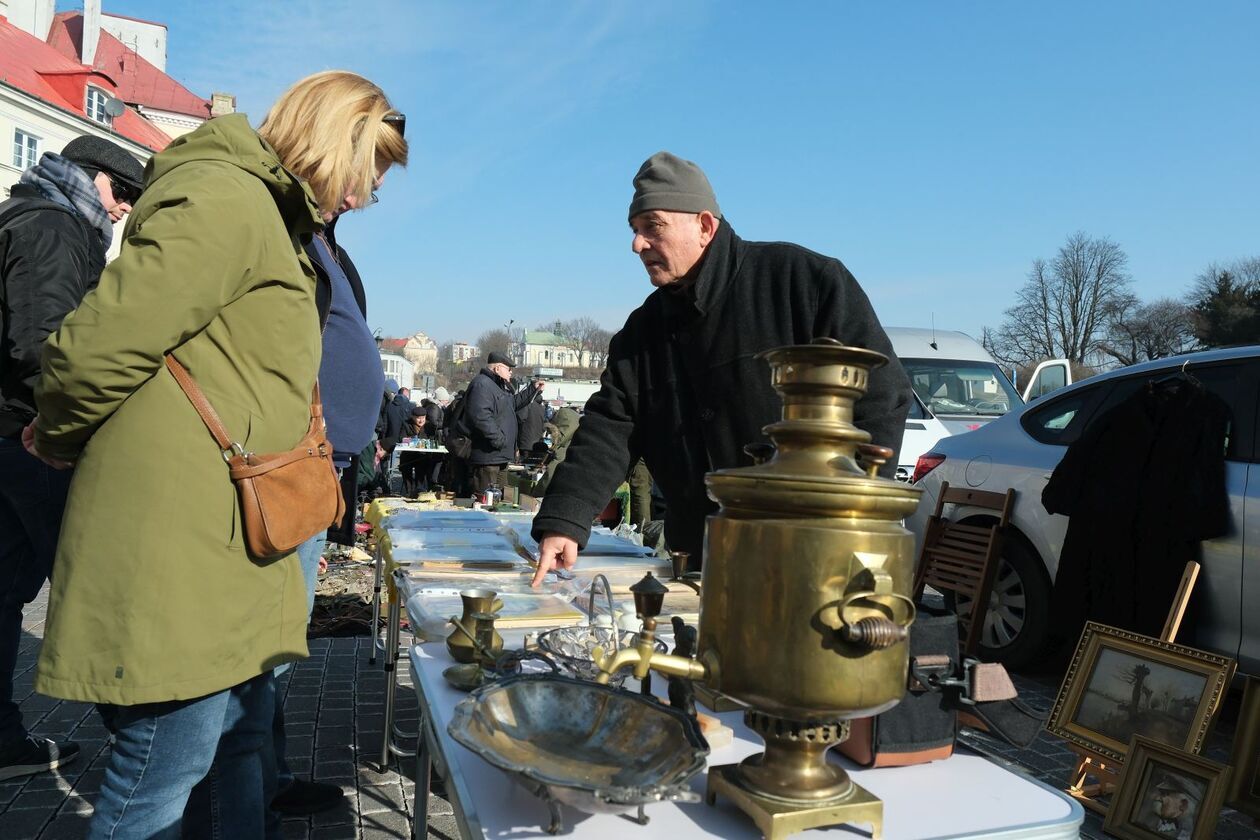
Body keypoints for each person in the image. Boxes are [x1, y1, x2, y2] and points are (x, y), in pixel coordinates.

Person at [22, 70, 405, 836]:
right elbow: (99, 344)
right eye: (366, 173)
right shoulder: (229, 199)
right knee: (156, 781)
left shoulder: (263, 207)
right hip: (183, 545)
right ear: (331, 140)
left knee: (214, 757)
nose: (363, 197)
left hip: (222, 539)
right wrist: (57, 435)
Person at [531, 151, 911, 585]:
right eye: (635, 231)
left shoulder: (802, 282)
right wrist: (566, 517)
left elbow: (881, 398)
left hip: (814, 558)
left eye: (652, 227)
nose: (637, 245)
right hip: (699, 559)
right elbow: (610, 427)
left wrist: (843, 519)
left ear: (705, 226)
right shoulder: (642, 331)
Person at [269, 72, 407, 818]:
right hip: (281, 470)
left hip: (315, 466)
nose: (359, 198)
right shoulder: (272, 220)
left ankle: (266, 776)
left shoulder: (317, 231)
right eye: (364, 177)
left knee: (279, 643)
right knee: (265, 647)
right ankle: (254, 786)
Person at [0, 135, 144, 781]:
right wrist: (73, 428)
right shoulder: (56, 225)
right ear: (93, 179)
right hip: (32, 441)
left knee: (5, 593)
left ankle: (3, 741)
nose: (124, 211)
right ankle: (147, 741)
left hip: (14, 435)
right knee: (96, 583)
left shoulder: (30, 215)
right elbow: (44, 349)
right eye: (124, 195)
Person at [460, 353, 543, 497]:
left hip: (500, 456)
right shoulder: (482, 384)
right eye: (509, 369)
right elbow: (481, 417)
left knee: (500, 500)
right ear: (498, 368)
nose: (511, 372)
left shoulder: (497, 386)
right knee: (484, 500)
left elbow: (512, 404)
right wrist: (499, 440)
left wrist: (532, 389)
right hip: (488, 457)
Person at [516, 388, 546, 457]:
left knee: (524, 462)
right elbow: (544, 425)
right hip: (537, 441)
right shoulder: (542, 408)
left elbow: (520, 418)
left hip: (525, 440)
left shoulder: (527, 405)